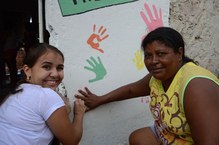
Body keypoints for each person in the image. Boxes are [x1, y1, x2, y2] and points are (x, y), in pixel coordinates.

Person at [75, 27, 219, 145]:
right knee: (138, 138)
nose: (153, 61)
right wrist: (100, 99)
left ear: (179, 53)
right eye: (148, 55)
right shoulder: (159, 77)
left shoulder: (196, 86)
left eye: (161, 54)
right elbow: (131, 90)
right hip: (169, 135)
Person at [0, 43, 86, 145]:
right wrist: (78, 114)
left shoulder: (16, 90)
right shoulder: (47, 95)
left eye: (59, 68)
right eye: (46, 67)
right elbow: (71, 141)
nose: (55, 74)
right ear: (27, 71)